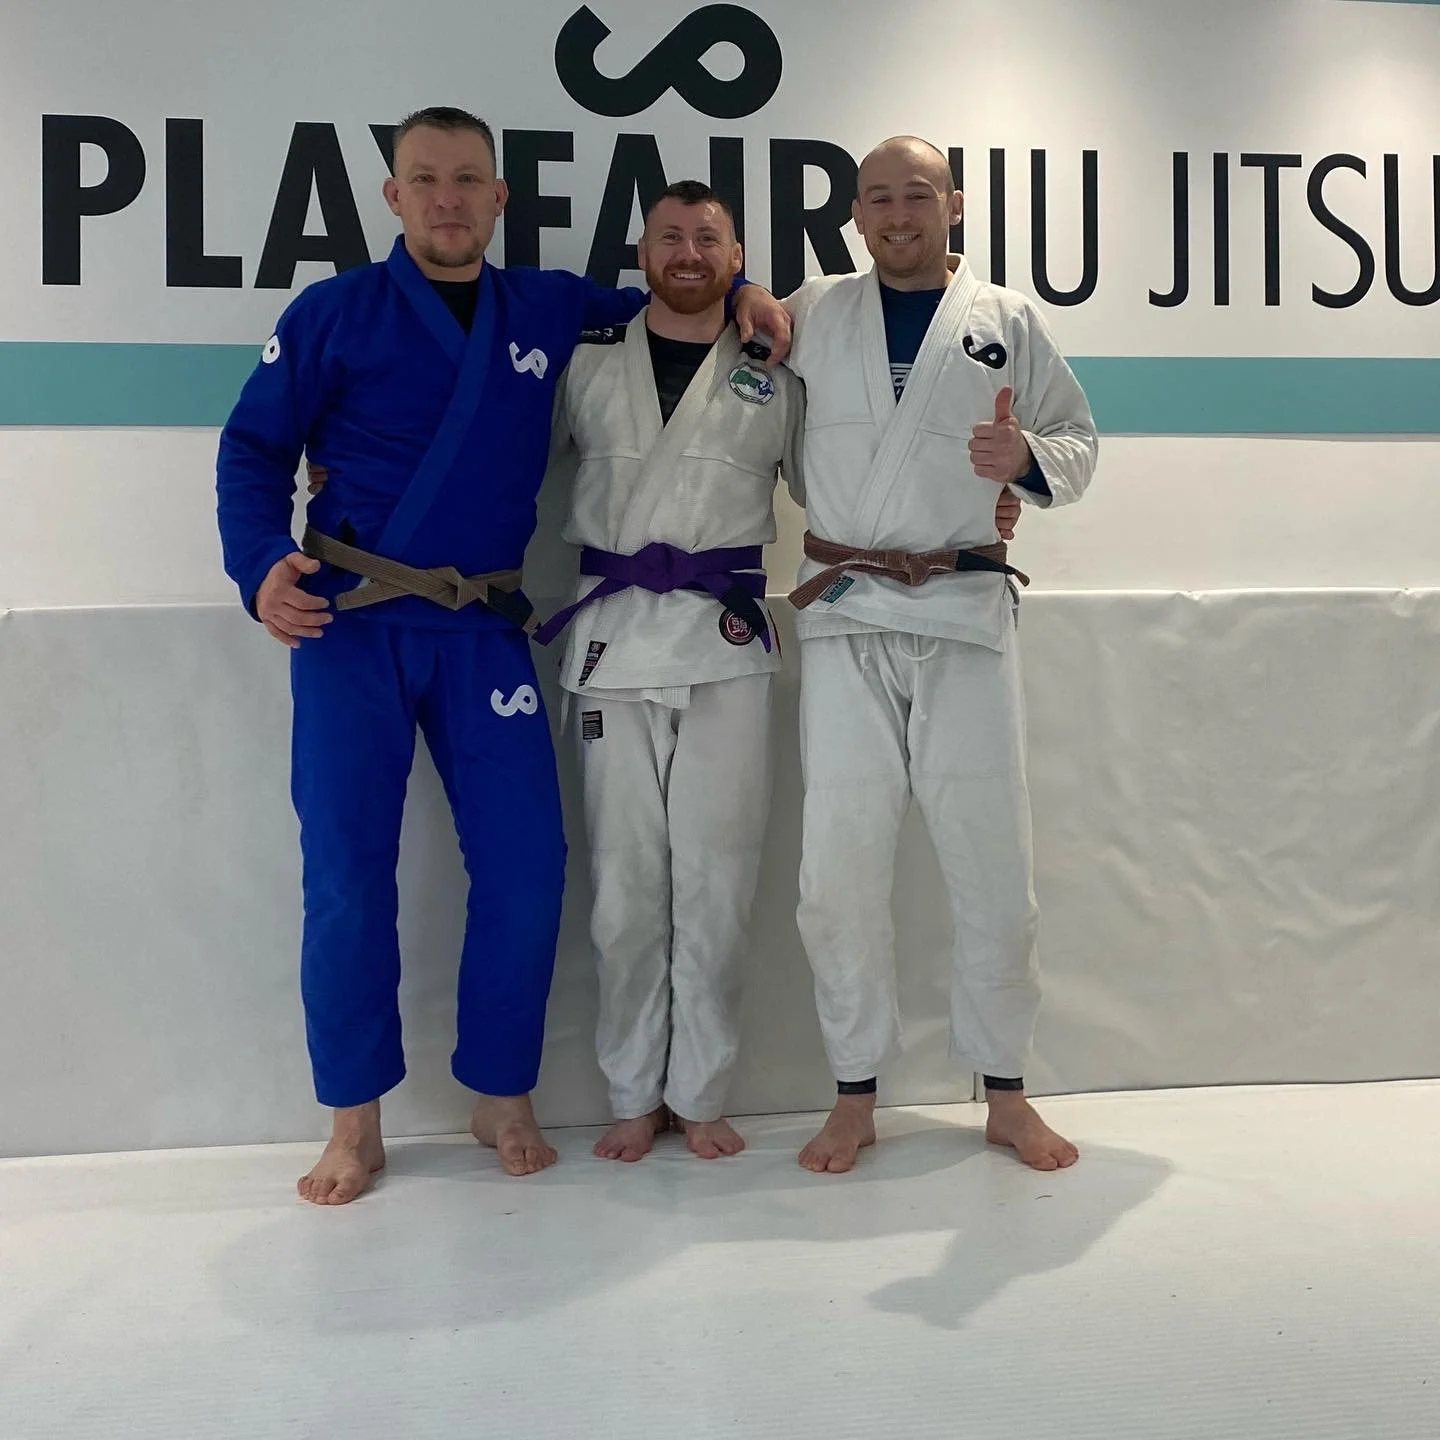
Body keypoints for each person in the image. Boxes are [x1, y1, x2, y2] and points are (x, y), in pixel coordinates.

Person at [215, 107, 789, 1205]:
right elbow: (253, 448)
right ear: (392, 196)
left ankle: (501, 1091)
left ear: (499, 197)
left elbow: (677, 301)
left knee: (528, 870)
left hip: (484, 629)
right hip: (351, 626)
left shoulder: (548, 306)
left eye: (468, 179)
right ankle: (353, 1119)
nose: (447, 197)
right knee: (345, 879)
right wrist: (258, 565)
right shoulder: (334, 312)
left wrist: (752, 297)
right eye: (424, 178)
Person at [780, 136, 1098, 1174]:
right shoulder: (812, 311)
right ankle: (854, 1092)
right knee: (837, 866)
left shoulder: (1005, 320)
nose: (898, 214)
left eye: (918, 195)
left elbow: (1077, 440)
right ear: (858, 216)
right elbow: (751, 410)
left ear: (952, 205)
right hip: (846, 612)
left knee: (992, 860)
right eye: (879, 199)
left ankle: (1005, 1092)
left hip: (963, 609)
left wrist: (1027, 465)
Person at [533, 180, 804, 1161]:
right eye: (670, 236)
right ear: (642, 250)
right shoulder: (588, 361)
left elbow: (838, 483)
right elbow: (505, 457)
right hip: (611, 648)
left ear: (737, 256)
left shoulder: (777, 367)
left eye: (709, 238)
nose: (688, 252)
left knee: (720, 883)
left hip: (724, 645)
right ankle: (627, 1090)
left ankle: (700, 1090)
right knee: (622, 889)